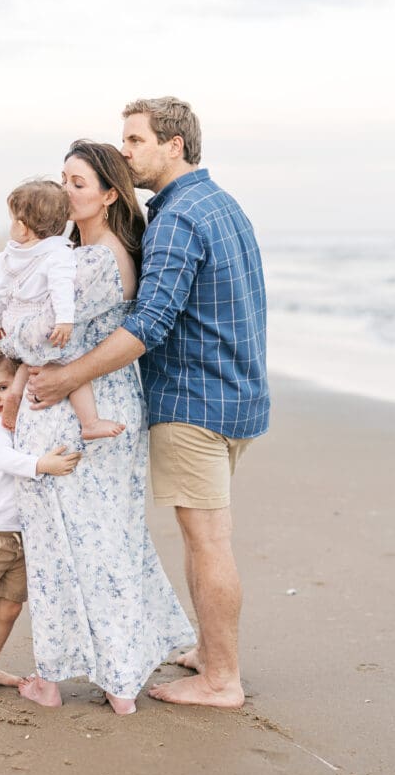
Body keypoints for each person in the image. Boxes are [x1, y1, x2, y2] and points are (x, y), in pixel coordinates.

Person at [28, 98, 270, 709]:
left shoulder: (177, 218)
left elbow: (149, 325)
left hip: (195, 400)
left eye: (135, 141)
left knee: (208, 539)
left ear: (175, 146)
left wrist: (65, 378)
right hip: (237, 394)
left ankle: (222, 679)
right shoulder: (220, 204)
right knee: (202, 537)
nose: (127, 152)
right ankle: (210, 653)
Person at [1, 140, 196, 715]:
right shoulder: (85, 253)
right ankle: (115, 670)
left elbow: (31, 336)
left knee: (71, 545)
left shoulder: (93, 261)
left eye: (78, 182)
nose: (64, 191)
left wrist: (12, 330)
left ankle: (93, 678)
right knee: (105, 539)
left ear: (111, 194)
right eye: (62, 179)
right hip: (98, 405)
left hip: (77, 412)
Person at [0, 349, 82, 698]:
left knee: (10, 607)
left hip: (24, 535)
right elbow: (3, 458)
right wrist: (42, 465)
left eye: (2, 387)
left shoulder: (33, 419)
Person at [0, 179, 124, 440]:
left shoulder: (5, 257)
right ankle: (90, 422)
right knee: (72, 364)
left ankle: (14, 394)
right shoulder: (59, 254)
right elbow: (61, 288)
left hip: (14, 322)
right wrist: (64, 320)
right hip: (42, 322)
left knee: (30, 361)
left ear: (22, 227)